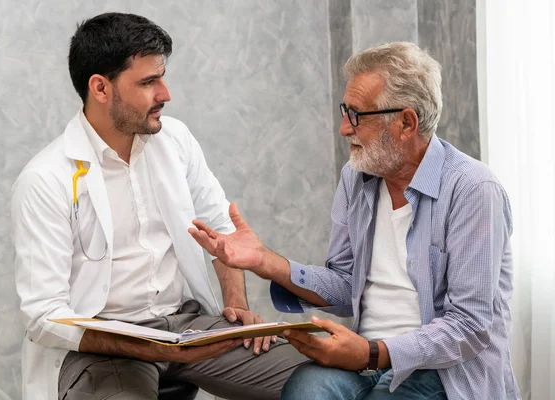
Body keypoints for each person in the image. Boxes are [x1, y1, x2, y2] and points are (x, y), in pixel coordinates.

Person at [189, 42, 521, 400]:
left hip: (445, 371)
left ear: (406, 123)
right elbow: (348, 287)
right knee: (305, 390)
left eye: (357, 115)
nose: (344, 129)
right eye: (345, 111)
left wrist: (374, 352)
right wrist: (267, 263)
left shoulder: (473, 189)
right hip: (364, 362)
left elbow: (470, 327)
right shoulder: (356, 177)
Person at [11, 12, 307, 400]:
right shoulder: (45, 179)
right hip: (105, 347)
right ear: (100, 88)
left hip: (190, 328)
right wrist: (148, 347)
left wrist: (236, 307)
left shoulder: (176, 140)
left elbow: (224, 233)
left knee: (322, 382)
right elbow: (43, 315)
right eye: (149, 82)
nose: (165, 93)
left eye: (161, 77)